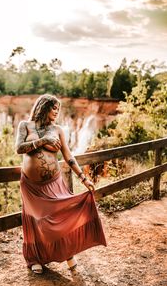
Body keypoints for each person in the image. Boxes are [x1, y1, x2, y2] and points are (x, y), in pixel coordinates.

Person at [15, 94, 106, 274]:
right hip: (31, 185)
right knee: (37, 220)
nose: (56, 112)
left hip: (54, 181)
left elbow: (68, 155)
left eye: (58, 109)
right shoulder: (25, 125)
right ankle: (35, 259)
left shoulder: (57, 130)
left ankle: (68, 253)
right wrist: (42, 141)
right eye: (54, 108)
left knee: (58, 217)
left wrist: (83, 178)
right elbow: (19, 148)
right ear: (43, 106)